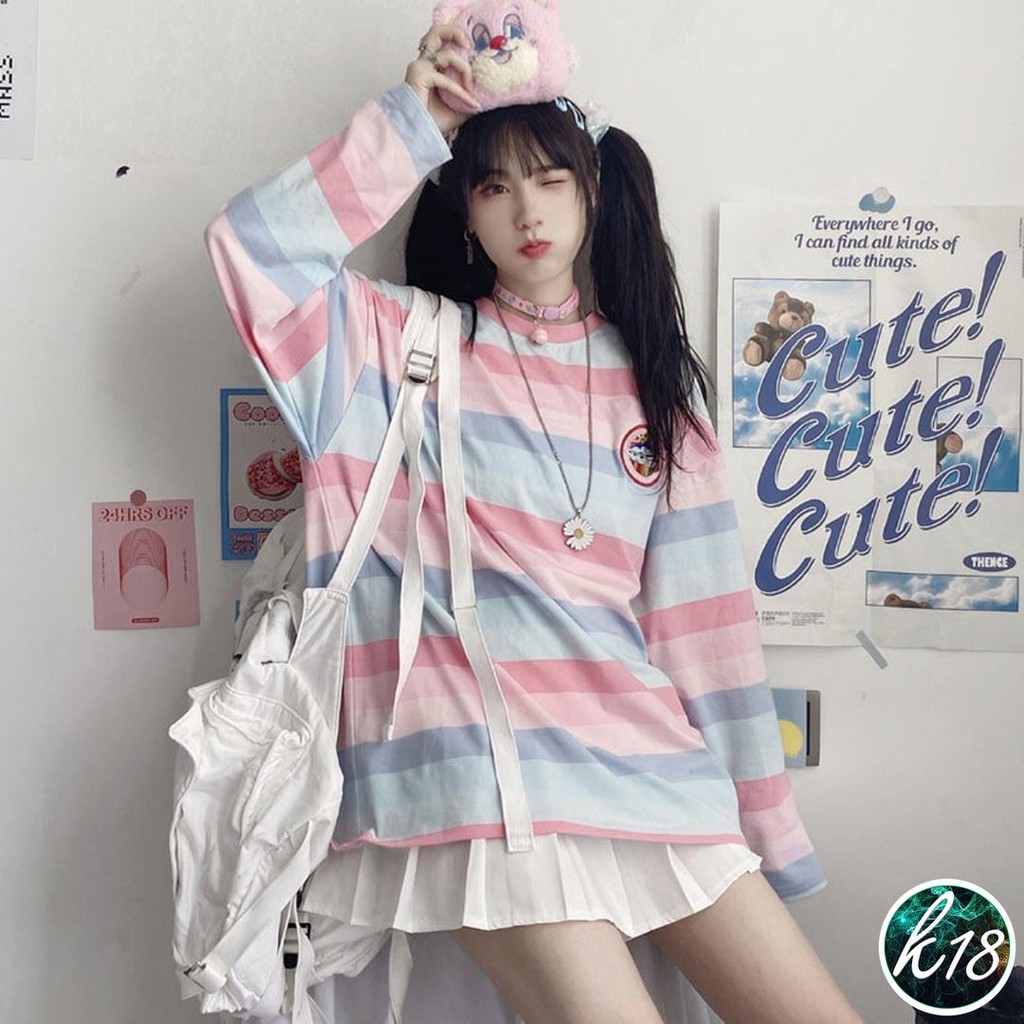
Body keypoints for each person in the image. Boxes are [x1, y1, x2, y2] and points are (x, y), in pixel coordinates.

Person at [204, 18, 863, 1024]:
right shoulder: (396, 350)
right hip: (483, 784)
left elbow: (705, 641)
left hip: (653, 774)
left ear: (592, 190)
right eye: (494, 186)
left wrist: (765, 835)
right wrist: (412, 123)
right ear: (465, 211)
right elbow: (253, 252)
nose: (528, 211)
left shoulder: (658, 393)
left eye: (551, 180)